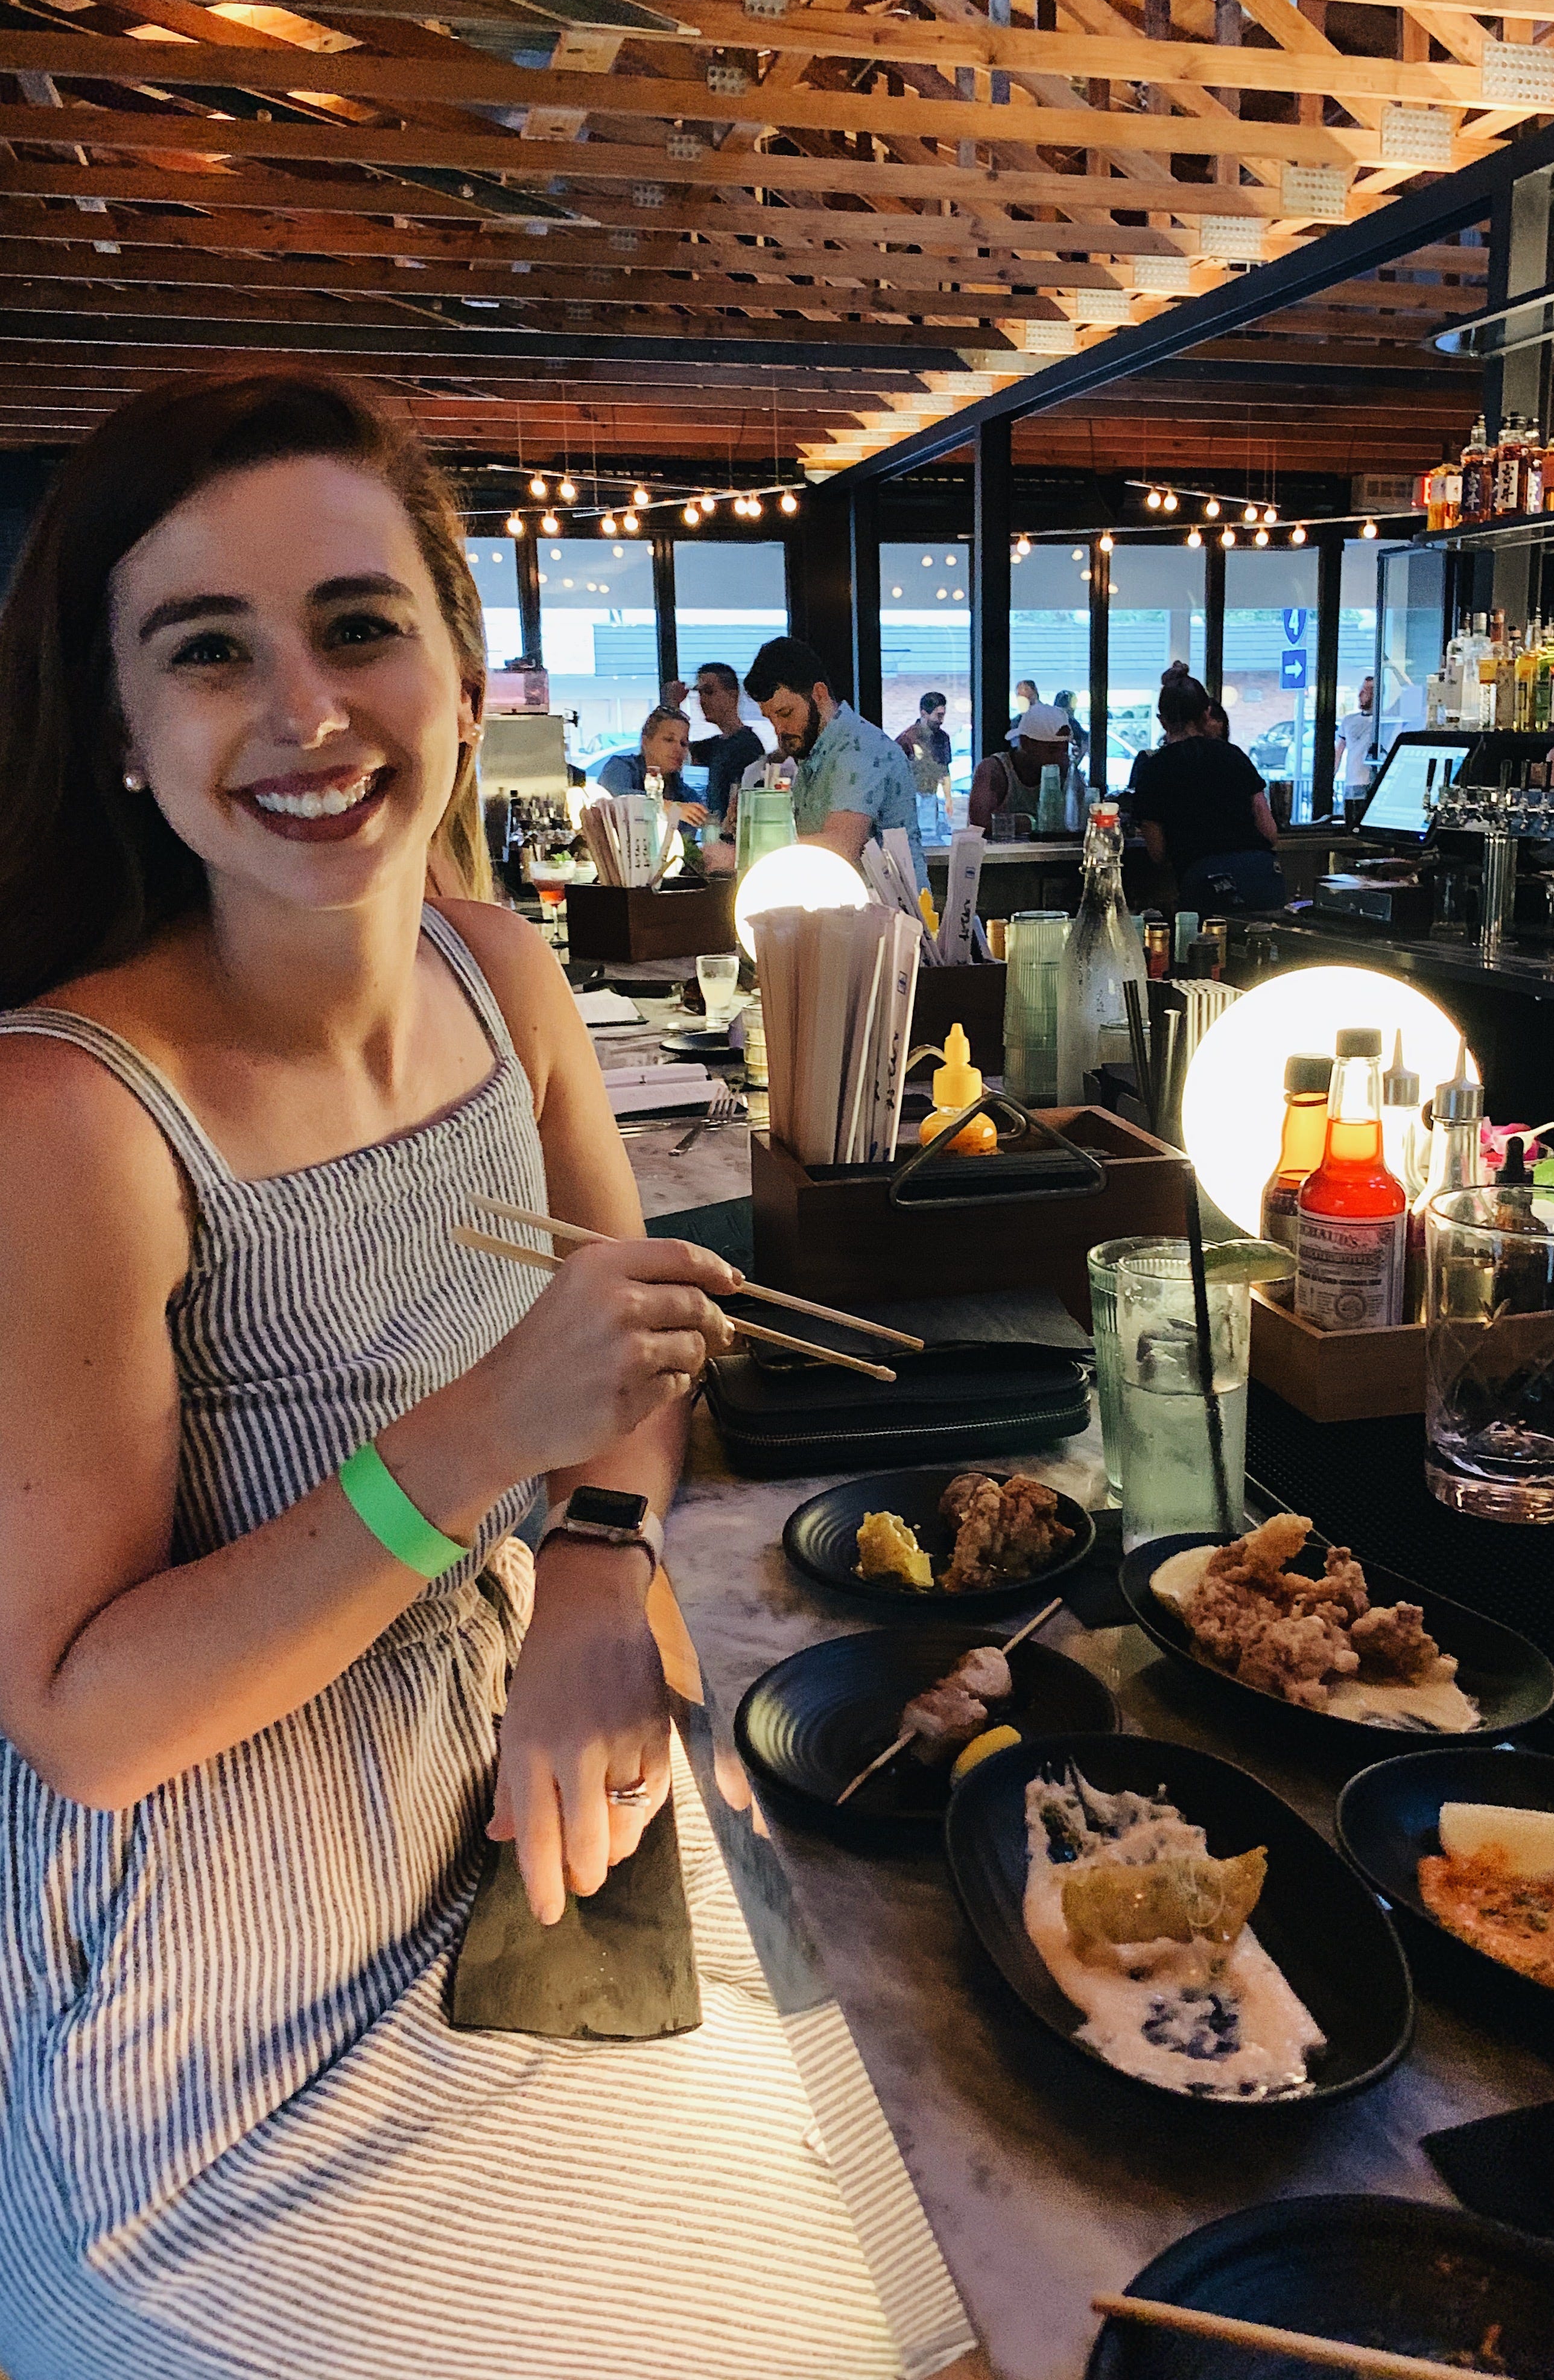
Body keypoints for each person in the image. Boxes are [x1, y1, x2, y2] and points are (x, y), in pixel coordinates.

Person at [0, 371, 898, 2380]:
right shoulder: (67, 1116)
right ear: (124, 731)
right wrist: (489, 1428)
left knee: (897, 2264)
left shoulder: (500, 976)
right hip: (223, 2013)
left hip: (542, 1852)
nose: (306, 712)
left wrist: (594, 1552)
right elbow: (83, 1725)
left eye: (357, 624)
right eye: (207, 652)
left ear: (459, 660)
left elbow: (635, 1351)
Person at [742, 635, 925, 883]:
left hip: (887, 917)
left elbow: (839, 847)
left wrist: (744, 854)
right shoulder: (818, 749)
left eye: (786, 713)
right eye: (770, 718)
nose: (778, 729)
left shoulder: (860, 749)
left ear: (819, 694)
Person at [1129, 673, 1286, 912]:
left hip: (1207, 885)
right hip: (1264, 877)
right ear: (1206, 714)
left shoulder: (1154, 769)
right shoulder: (1234, 755)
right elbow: (1270, 832)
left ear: (1163, 721)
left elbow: (1158, 852)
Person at [594, 702, 709, 830]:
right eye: (669, 740)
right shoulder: (620, 767)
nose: (678, 749)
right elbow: (615, 798)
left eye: (683, 743)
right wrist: (669, 808)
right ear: (646, 741)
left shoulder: (686, 796)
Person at [688, 660, 766, 842]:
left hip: (731, 841)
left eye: (709, 692)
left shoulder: (747, 746)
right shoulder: (716, 744)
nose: (703, 701)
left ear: (733, 696)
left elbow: (740, 799)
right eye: (699, 693)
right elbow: (676, 750)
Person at [969, 699, 1071, 831]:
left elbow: (1081, 820)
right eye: (1052, 750)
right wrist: (1033, 823)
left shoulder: (1066, 772)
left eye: (1064, 750)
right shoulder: (994, 770)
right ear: (1026, 743)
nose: (1060, 757)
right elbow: (979, 824)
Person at [897, 691, 954, 837]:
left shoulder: (943, 738)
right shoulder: (908, 739)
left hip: (932, 796)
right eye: (938, 715)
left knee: (932, 835)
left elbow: (944, 770)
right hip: (911, 799)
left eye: (943, 715)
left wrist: (948, 799)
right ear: (924, 713)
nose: (941, 720)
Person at [1336, 675, 1378, 807]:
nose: (1361, 695)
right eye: (1362, 690)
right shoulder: (1349, 721)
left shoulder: (1383, 722)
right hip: (1352, 782)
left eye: (1367, 691)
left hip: (1371, 781)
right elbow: (1339, 751)